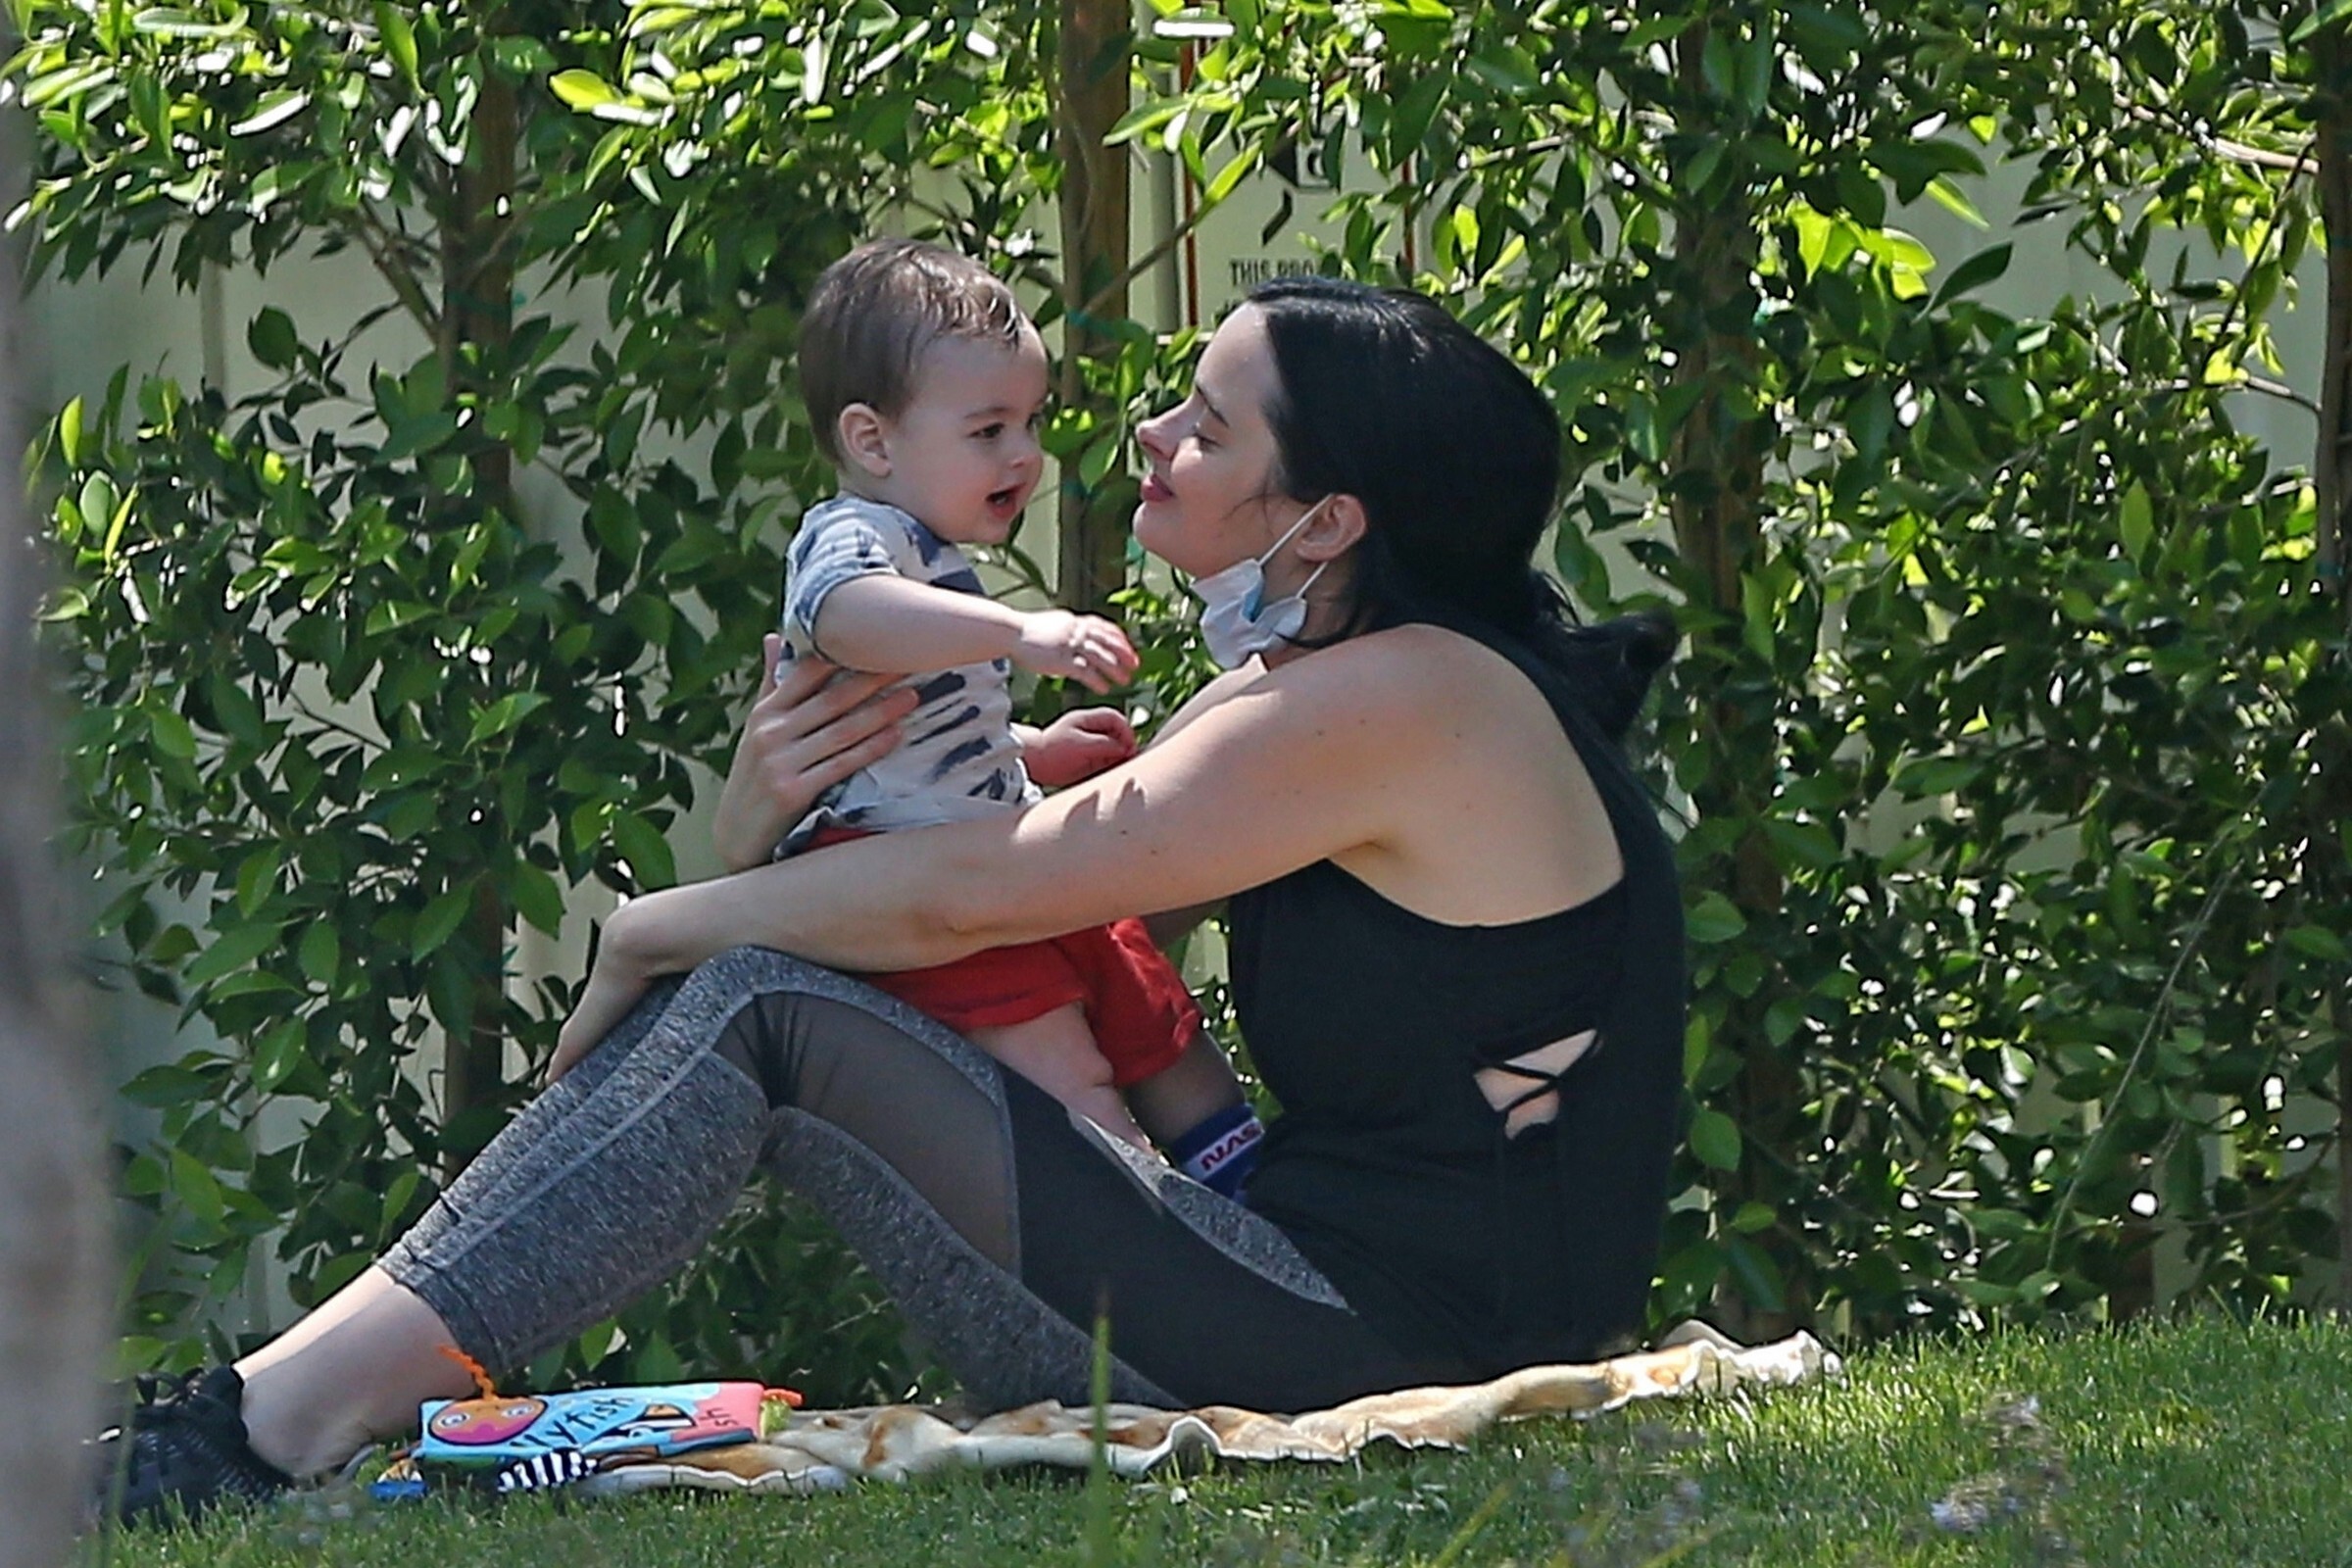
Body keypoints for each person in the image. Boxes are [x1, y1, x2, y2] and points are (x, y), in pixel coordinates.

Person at [92, 275, 1685, 1531]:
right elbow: (936, 870)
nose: (1149, 434)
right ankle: (254, 1417)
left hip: (1375, 1340)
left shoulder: (1403, 698)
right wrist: (754, 819)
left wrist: (665, 922)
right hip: (1299, 1286)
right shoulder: (1340, 686)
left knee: (766, 1005)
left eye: (1206, 428)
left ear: (1328, 521)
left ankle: (252, 1431)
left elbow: (971, 899)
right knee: (768, 981)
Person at [742, 237, 1251, 1161]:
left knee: (1152, 1006)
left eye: (1030, 422)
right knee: (1064, 1062)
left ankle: (1243, 1182)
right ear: (871, 441)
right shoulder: (852, 534)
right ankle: (1141, 1223)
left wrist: (1030, 747)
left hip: (981, 853)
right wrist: (1020, 632)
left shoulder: (931, 552)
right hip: (900, 877)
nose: (1025, 454)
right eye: (988, 432)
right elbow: (845, 617)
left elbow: (922, 726)